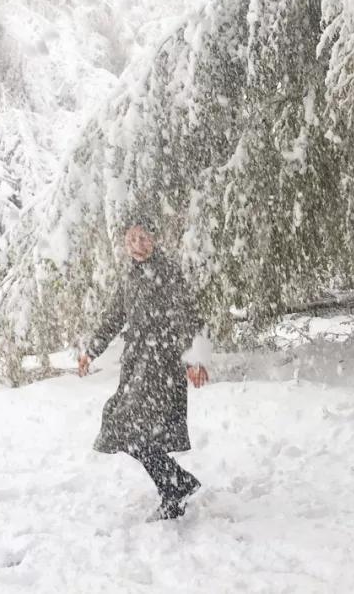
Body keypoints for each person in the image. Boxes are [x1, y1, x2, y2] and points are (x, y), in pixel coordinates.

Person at [78, 217, 210, 521]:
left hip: (162, 365)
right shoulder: (130, 276)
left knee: (130, 428)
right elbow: (114, 316)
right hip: (138, 363)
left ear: (154, 238)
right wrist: (91, 350)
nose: (137, 245)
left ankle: (175, 487)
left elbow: (186, 316)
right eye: (130, 240)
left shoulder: (167, 272)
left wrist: (194, 358)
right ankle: (176, 485)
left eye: (142, 238)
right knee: (122, 426)